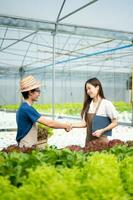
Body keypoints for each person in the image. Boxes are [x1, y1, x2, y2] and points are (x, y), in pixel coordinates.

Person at [16, 75, 72, 148]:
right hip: (26, 144)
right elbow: (49, 123)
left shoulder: (24, 107)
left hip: (26, 143)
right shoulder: (27, 108)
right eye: (38, 91)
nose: (39, 94)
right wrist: (66, 126)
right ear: (30, 92)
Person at [72, 77, 118, 145]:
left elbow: (115, 123)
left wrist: (102, 131)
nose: (87, 91)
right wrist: (70, 125)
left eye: (89, 88)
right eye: (86, 90)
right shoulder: (88, 105)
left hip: (102, 143)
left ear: (97, 87)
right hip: (88, 142)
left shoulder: (106, 104)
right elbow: (84, 123)